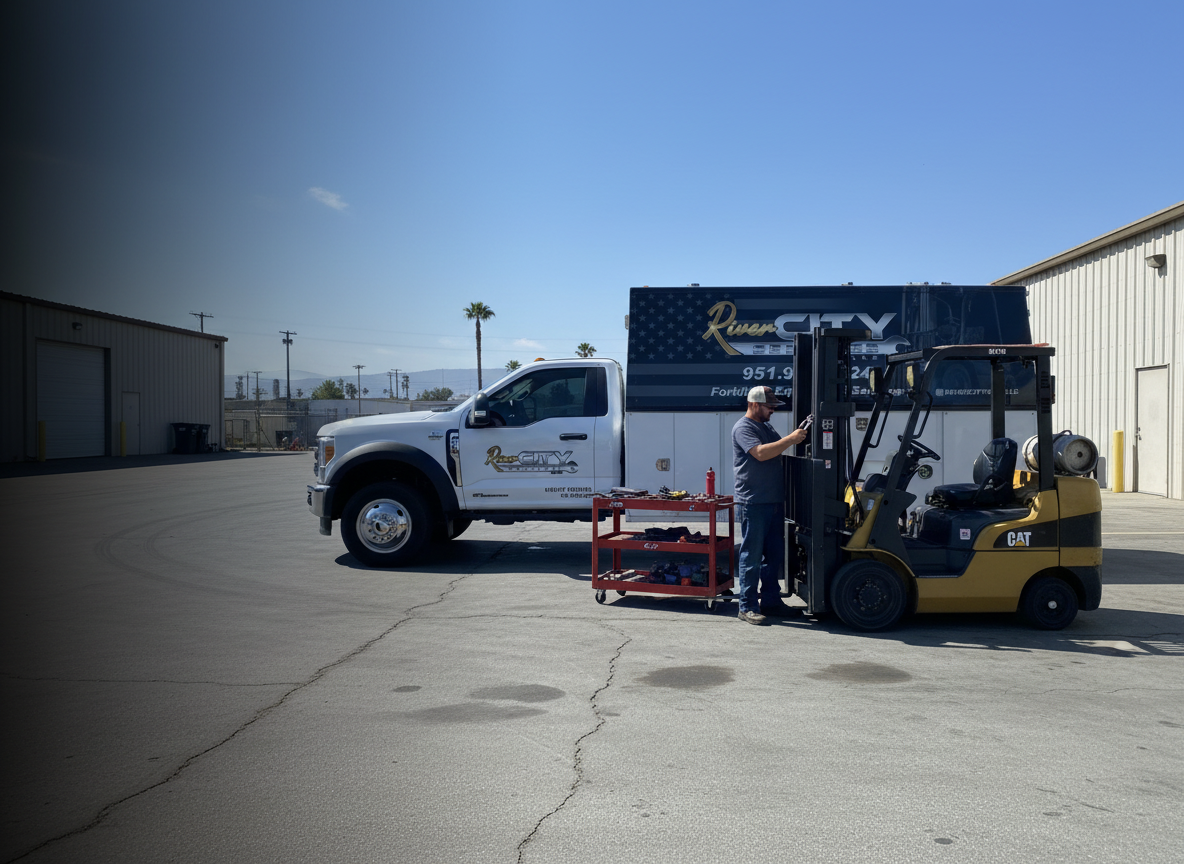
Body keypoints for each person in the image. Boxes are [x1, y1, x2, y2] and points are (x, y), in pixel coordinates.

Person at [731, 385, 808, 625]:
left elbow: (780, 447)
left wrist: (799, 434)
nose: (773, 409)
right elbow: (761, 453)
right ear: (754, 404)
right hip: (753, 502)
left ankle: (771, 602)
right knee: (752, 557)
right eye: (770, 406)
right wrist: (791, 438)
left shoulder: (765, 426)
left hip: (772, 501)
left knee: (773, 556)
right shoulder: (743, 428)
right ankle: (747, 606)